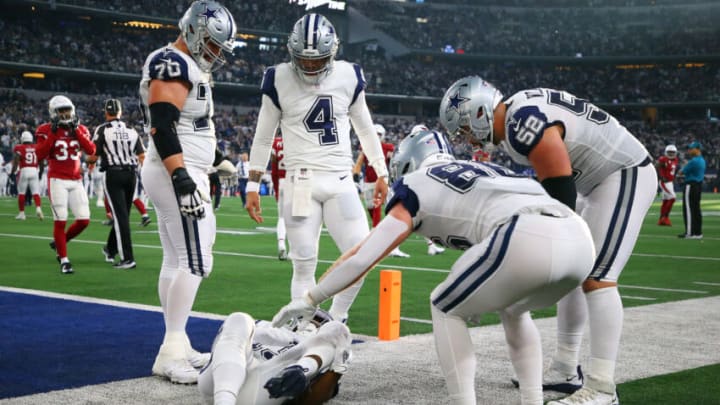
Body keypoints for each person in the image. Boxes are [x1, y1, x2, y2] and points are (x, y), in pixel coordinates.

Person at [272, 131, 596, 405]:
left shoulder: (414, 183)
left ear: (409, 160)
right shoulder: (486, 168)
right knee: (512, 308)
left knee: (444, 305)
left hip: (525, 234)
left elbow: (364, 256)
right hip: (579, 240)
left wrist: (310, 298)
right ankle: (531, 399)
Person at [439, 77, 657, 405]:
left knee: (598, 278)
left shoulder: (519, 123)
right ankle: (565, 367)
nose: (468, 140)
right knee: (578, 272)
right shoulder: (516, 115)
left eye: (466, 130)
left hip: (622, 172)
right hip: (596, 183)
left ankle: (602, 387)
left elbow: (560, 185)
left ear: (481, 113)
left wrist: (555, 231)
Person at [245, 13, 390, 322]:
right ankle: (302, 329)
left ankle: (335, 320)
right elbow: (263, 135)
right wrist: (252, 184)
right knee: (303, 263)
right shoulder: (278, 77)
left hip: (340, 179)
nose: (310, 66)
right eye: (303, 59)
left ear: (332, 51)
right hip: (300, 183)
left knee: (362, 255)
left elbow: (365, 128)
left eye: (317, 59)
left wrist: (381, 171)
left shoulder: (349, 76)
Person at [138, 0, 236, 384]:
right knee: (197, 261)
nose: (215, 53)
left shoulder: (188, 66)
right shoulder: (171, 61)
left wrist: (219, 159)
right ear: (194, 31)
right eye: (212, 44)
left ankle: (176, 343)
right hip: (174, 171)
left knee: (176, 260)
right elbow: (163, 124)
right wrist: (182, 177)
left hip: (181, 167)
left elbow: (191, 126)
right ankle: (169, 351)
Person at [198, 309, 351, 405]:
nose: (310, 324)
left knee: (334, 338)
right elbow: (226, 341)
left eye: (316, 324)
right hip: (221, 380)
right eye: (309, 319)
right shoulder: (263, 327)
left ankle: (302, 368)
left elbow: (313, 398)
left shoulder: (324, 346)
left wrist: (310, 370)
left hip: (264, 387)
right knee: (239, 318)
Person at [35, 95, 96, 275]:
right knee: (60, 220)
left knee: (84, 220)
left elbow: (91, 150)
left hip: (76, 180)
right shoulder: (45, 129)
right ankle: (64, 259)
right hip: (57, 180)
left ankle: (60, 243)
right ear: (53, 112)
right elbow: (40, 154)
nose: (64, 114)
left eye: (66, 110)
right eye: (61, 111)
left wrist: (76, 131)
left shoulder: (81, 128)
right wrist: (53, 133)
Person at [87, 98, 145, 269]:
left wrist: (85, 157)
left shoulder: (102, 129)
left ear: (106, 113)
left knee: (121, 217)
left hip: (113, 174)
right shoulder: (132, 130)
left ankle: (128, 258)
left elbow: (94, 156)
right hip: (131, 175)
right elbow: (142, 156)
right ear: (120, 112)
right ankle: (110, 249)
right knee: (123, 216)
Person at [352, 123, 411, 258]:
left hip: (382, 182)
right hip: (368, 183)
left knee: (383, 213)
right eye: (375, 134)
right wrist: (355, 173)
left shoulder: (387, 148)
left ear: (383, 135)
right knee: (371, 211)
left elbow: (393, 162)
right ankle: (379, 238)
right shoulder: (366, 147)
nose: (376, 137)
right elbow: (360, 161)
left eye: (379, 134)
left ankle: (390, 247)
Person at [11, 131, 44, 220]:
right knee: (36, 192)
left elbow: (16, 160)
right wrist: (40, 173)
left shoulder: (19, 147)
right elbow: (41, 162)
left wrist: (12, 172)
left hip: (25, 170)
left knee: (22, 193)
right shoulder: (37, 147)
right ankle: (38, 208)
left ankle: (22, 214)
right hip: (34, 170)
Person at [677, 141, 706, 239]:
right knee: (696, 209)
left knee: (688, 210)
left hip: (691, 186)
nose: (689, 150)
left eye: (691, 148)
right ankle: (698, 233)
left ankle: (690, 233)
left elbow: (681, 172)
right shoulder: (702, 160)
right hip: (698, 186)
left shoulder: (694, 161)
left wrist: (684, 165)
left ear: (697, 149)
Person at [270, 133, 288, 260]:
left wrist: (276, 188)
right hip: (296, 181)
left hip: (281, 181)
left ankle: (281, 244)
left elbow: (274, 169)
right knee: (297, 219)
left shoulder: (276, 143)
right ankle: (295, 250)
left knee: (282, 217)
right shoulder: (297, 137)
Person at [656, 144, 679, 226]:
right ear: (666, 152)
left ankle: (661, 219)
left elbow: (672, 171)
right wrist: (661, 177)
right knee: (672, 197)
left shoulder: (676, 160)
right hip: (664, 182)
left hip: (670, 182)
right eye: (669, 152)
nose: (671, 154)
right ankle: (665, 218)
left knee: (666, 200)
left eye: (672, 152)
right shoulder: (663, 159)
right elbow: (657, 166)